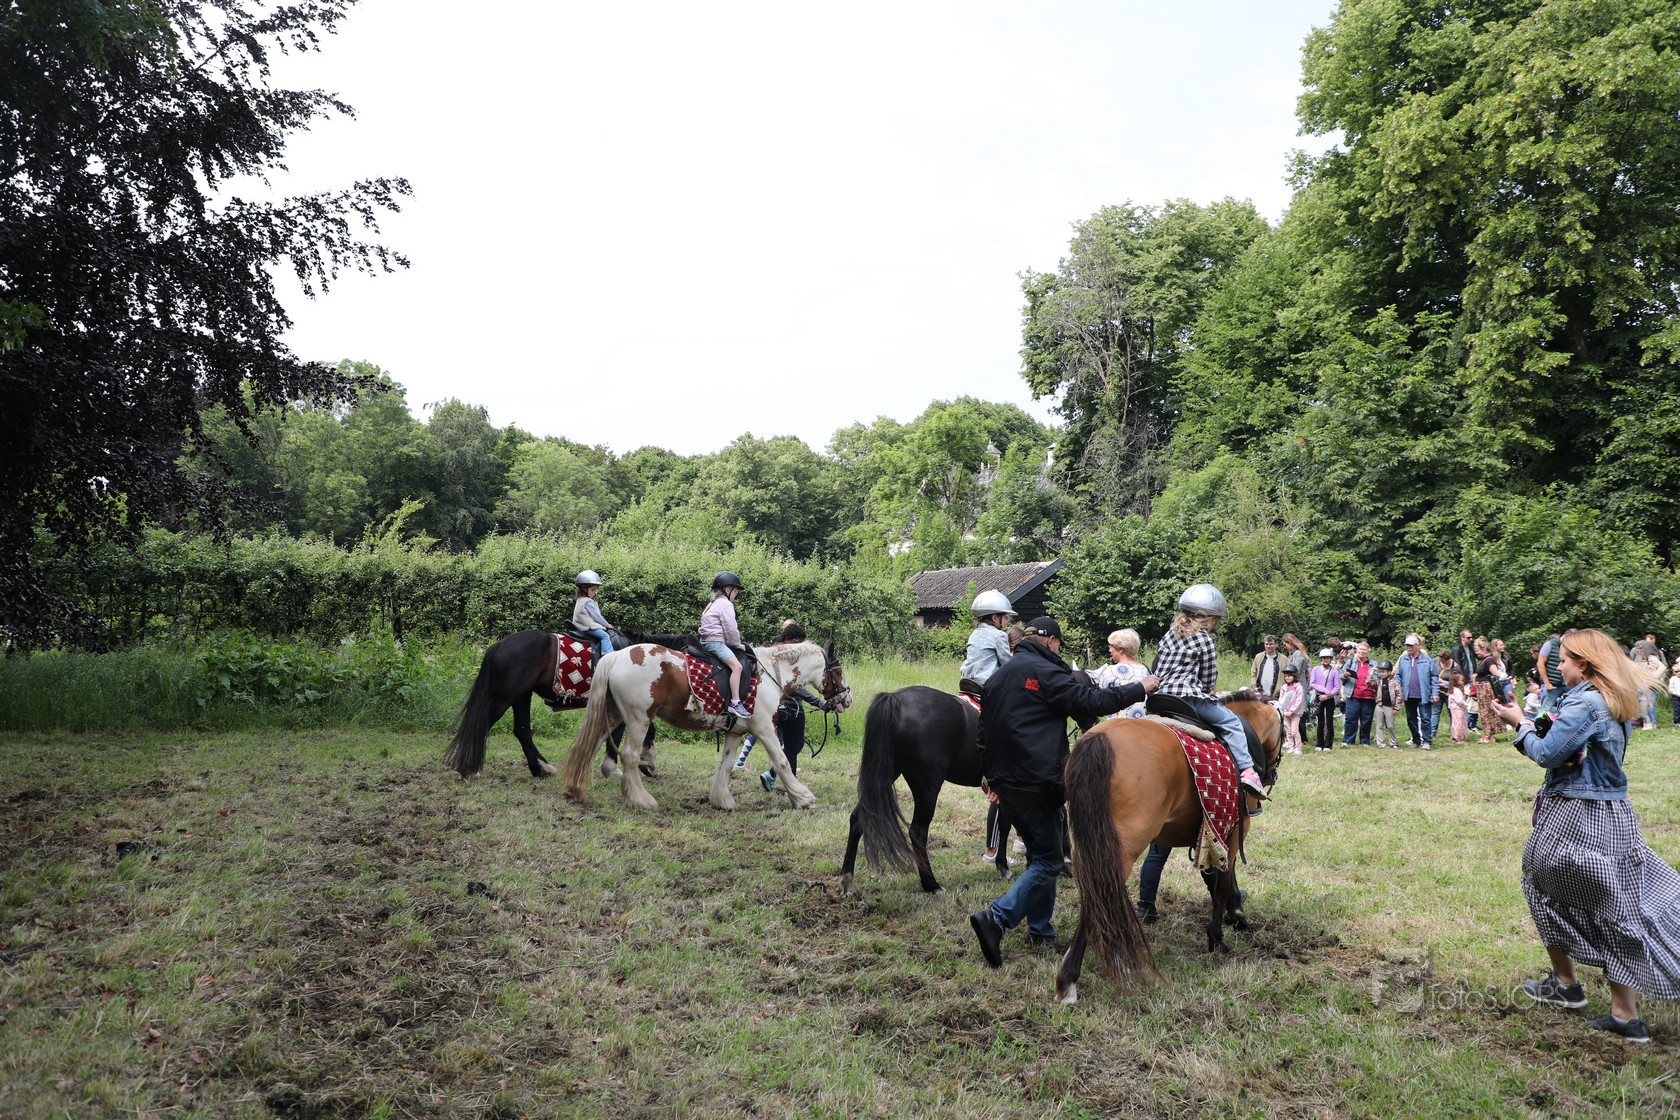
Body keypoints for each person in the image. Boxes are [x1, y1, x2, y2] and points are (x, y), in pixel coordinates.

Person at [1492, 628, 1680, 1045]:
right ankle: (1602, 1002)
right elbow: (1572, 744)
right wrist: (1532, 721)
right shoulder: (1609, 697)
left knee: (1547, 886)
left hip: (1578, 813)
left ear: (1584, 663)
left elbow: (1548, 753)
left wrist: (1519, 724)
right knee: (1613, 902)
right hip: (1611, 813)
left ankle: (1578, 991)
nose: (1558, 666)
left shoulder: (1585, 701)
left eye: (1564, 660)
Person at [968, 616, 1156, 967]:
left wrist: (989, 775)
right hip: (1037, 781)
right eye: (1058, 645)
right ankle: (996, 918)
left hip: (1006, 780)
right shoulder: (1046, 672)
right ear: (1051, 641)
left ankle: (1040, 930)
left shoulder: (999, 676)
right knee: (1050, 861)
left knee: (1040, 853)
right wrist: (1140, 688)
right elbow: (1089, 702)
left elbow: (983, 730)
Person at [1152, 585, 1267, 798]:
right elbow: (1208, 677)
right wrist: (1207, 691)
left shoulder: (1168, 634)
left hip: (1160, 697)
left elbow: (1158, 666)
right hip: (1187, 698)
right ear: (1210, 618)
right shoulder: (1203, 638)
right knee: (1231, 723)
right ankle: (1248, 771)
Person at [744, 621, 831, 792]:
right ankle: (790, 788)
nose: (800, 646)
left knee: (790, 746)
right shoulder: (785, 658)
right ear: (789, 639)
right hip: (790, 708)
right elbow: (795, 687)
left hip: (773, 707)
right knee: (792, 747)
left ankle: (771, 774)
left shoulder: (772, 652)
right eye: (798, 642)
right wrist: (819, 702)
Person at [698, 571, 751, 718]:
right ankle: (735, 703)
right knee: (737, 667)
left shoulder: (712, 604)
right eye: (735, 591)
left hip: (705, 641)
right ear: (728, 589)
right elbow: (730, 628)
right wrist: (737, 644)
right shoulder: (726, 604)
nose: (736, 594)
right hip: (715, 643)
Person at [960, 589, 1015, 696]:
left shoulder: (974, 633)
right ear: (995, 618)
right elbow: (1007, 664)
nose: (1007, 621)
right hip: (986, 681)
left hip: (967, 679)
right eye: (1006, 617)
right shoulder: (999, 635)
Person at [1091, 628, 1149, 717]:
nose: (1110, 650)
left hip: (1117, 723)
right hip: (1143, 722)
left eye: (1112, 646)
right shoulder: (1144, 669)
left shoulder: (1110, 671)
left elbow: (1101, 699)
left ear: (1121, 649)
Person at [1396, 634, 1439, 750]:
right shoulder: (1403, 659)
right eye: (1407, 645)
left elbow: (1434, 676)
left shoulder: (1426, 659)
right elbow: (1398, 675)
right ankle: (1416, 740)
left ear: (1418, 646)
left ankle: (1427, 741)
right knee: (1411, 719)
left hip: (1424, 694)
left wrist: (1435, 693)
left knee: (1425, 718)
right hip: (1408, 695)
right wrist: (1398, 688)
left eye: (1411, 645)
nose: (1409, 648)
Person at [1341, 641, 1377, 746]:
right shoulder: (1351, 662)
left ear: (1368, 651)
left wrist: (1373, 677)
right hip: (1353, 694)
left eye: (1364, 649)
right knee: (1350, 719)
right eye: (1360, 649)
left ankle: (1364, 741)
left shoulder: (1374, 664)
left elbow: (1377, 679)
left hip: (1369, 696)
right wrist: (1345, 675)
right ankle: (1348, 740)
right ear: (1357, 650)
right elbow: (1341, 675)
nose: (1362, 651)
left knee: (1366, 719)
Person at [1280, 633, 1312, 746]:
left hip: (1298, 685)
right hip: (1295, 685)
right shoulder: (1293, 654)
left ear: (1290, 643)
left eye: (1285, 644)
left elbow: (1295, 670)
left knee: (1298, 712)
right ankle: (1295, 739)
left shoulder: (1298, 654)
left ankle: (1301, 739)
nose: (1285, 647)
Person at [571, 570, 613, 654]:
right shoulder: (588, 602)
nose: (595, 592)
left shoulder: (580, 600)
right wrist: (607, 625)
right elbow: (597, 617)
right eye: (592, 590)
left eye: (595, 590)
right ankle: (607, 656)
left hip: (580, 626)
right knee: (605, 636)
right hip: (588, 627)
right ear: (584, 589)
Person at [1310, 647, 1340, 752]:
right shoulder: (1315, 669)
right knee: (1320, 721)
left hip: (1329, 698)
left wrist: (1327, 695)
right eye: (1323, 658)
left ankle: (1328, 744)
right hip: (1319, 697)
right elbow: (1312, 683)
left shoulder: (1335, 671)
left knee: (1329, 721)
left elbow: (1337, 687)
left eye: (1327, 658)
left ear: (1331, 659)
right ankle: (1319, 743)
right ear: (1321, 659)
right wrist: (1325, 690)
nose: (1325, 659)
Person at [1371, 660, 1402, 750]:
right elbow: (1368, 682)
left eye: (1383, 672)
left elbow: (1399, 695)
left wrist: (1397, 707)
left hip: (1389, 706)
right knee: (1379, 725)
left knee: (1390, 725)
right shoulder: (1378, 682)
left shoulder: (1394, 683)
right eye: (1380, 672)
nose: (1382, 674)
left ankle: (1393, 742)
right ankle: (1380, 743)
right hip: (1379, 705)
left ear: (1389, 672)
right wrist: (1372, 672)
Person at [1275, 665, 1305, 755]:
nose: (1287, 678)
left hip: (1295, 713)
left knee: (1294, 730)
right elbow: (1281, 699)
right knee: (1288, 730)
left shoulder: (1298, 687)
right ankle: (1291, 746)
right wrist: (1283, 710)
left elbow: (1299, 700)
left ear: (1294, 676)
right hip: (1285, 712)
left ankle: (1298, 748)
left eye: (1289, 676)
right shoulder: (1284, 687)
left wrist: (1291, 711)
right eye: (1286, 676)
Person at [1536, 633, 1566, 712]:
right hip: (1552, 684)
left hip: (1568, 684)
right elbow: (1540, 663)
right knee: (1545, 711)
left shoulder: (1572, 646)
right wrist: (1547, 683)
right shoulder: (1549, 644)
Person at [1250, 634, 1283, 701]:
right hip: (1259, 694)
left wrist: (1280, 690)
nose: (1268, 646)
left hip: (1276, 696)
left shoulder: (1284, 659)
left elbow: (1287, 677)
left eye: (1271, 644)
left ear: (1276, 645)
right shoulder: (1258, 657)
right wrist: (1254, 686)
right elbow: (1253, 673)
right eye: (1266, 644)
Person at [1447, 672, 1469, 743]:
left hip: (1456, 708)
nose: (1463, 682)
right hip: (1458, 708)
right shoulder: (1456, 691)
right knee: (1458, 723)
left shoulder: (1454, 690)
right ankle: (1457, 737)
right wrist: (1466, 704)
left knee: (1459, 722)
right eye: (1461, 680)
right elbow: (1459, 701)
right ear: (1456, 681)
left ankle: (1461, 737)